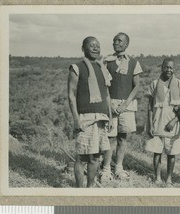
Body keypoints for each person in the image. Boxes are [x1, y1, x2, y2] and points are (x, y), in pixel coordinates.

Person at [68, 36, 113, 187]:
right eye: (91, 45)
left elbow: (107, 95)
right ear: (83, 48)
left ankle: (90, 188)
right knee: (82, 157)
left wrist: (110, 117)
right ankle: (80, 190)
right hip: (85, 118)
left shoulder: (103, 69)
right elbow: (71, 95)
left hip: (101, 117)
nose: (95, 48)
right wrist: (76, 119)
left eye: (98, 46)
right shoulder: (76, 67)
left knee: (96, 157)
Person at [100, 32, 143, 180]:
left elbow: (136, 86)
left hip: (127, 106)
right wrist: (109, 104)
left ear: (126, 44)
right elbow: (103, 85)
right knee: (110, 138)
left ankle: (118, 167)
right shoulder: (106, 61)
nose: (115, 43)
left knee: (122, 138)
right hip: (110, 105)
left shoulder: (133, 63)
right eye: (114, 40)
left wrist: (125, 104)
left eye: (119, 41)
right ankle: (106, 169)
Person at [145, 58, 180, 187]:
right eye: (166, 67)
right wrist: (150, 124)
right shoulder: (154, 84)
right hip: (157, 122)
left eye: (171, 67)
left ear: (174, 69)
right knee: (157, 152)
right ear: (162, 67)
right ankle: (157, 177)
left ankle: (169, 179)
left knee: (171, 153)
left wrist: (175, 121)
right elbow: (150, 106)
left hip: (172, 125)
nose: (168, 70)